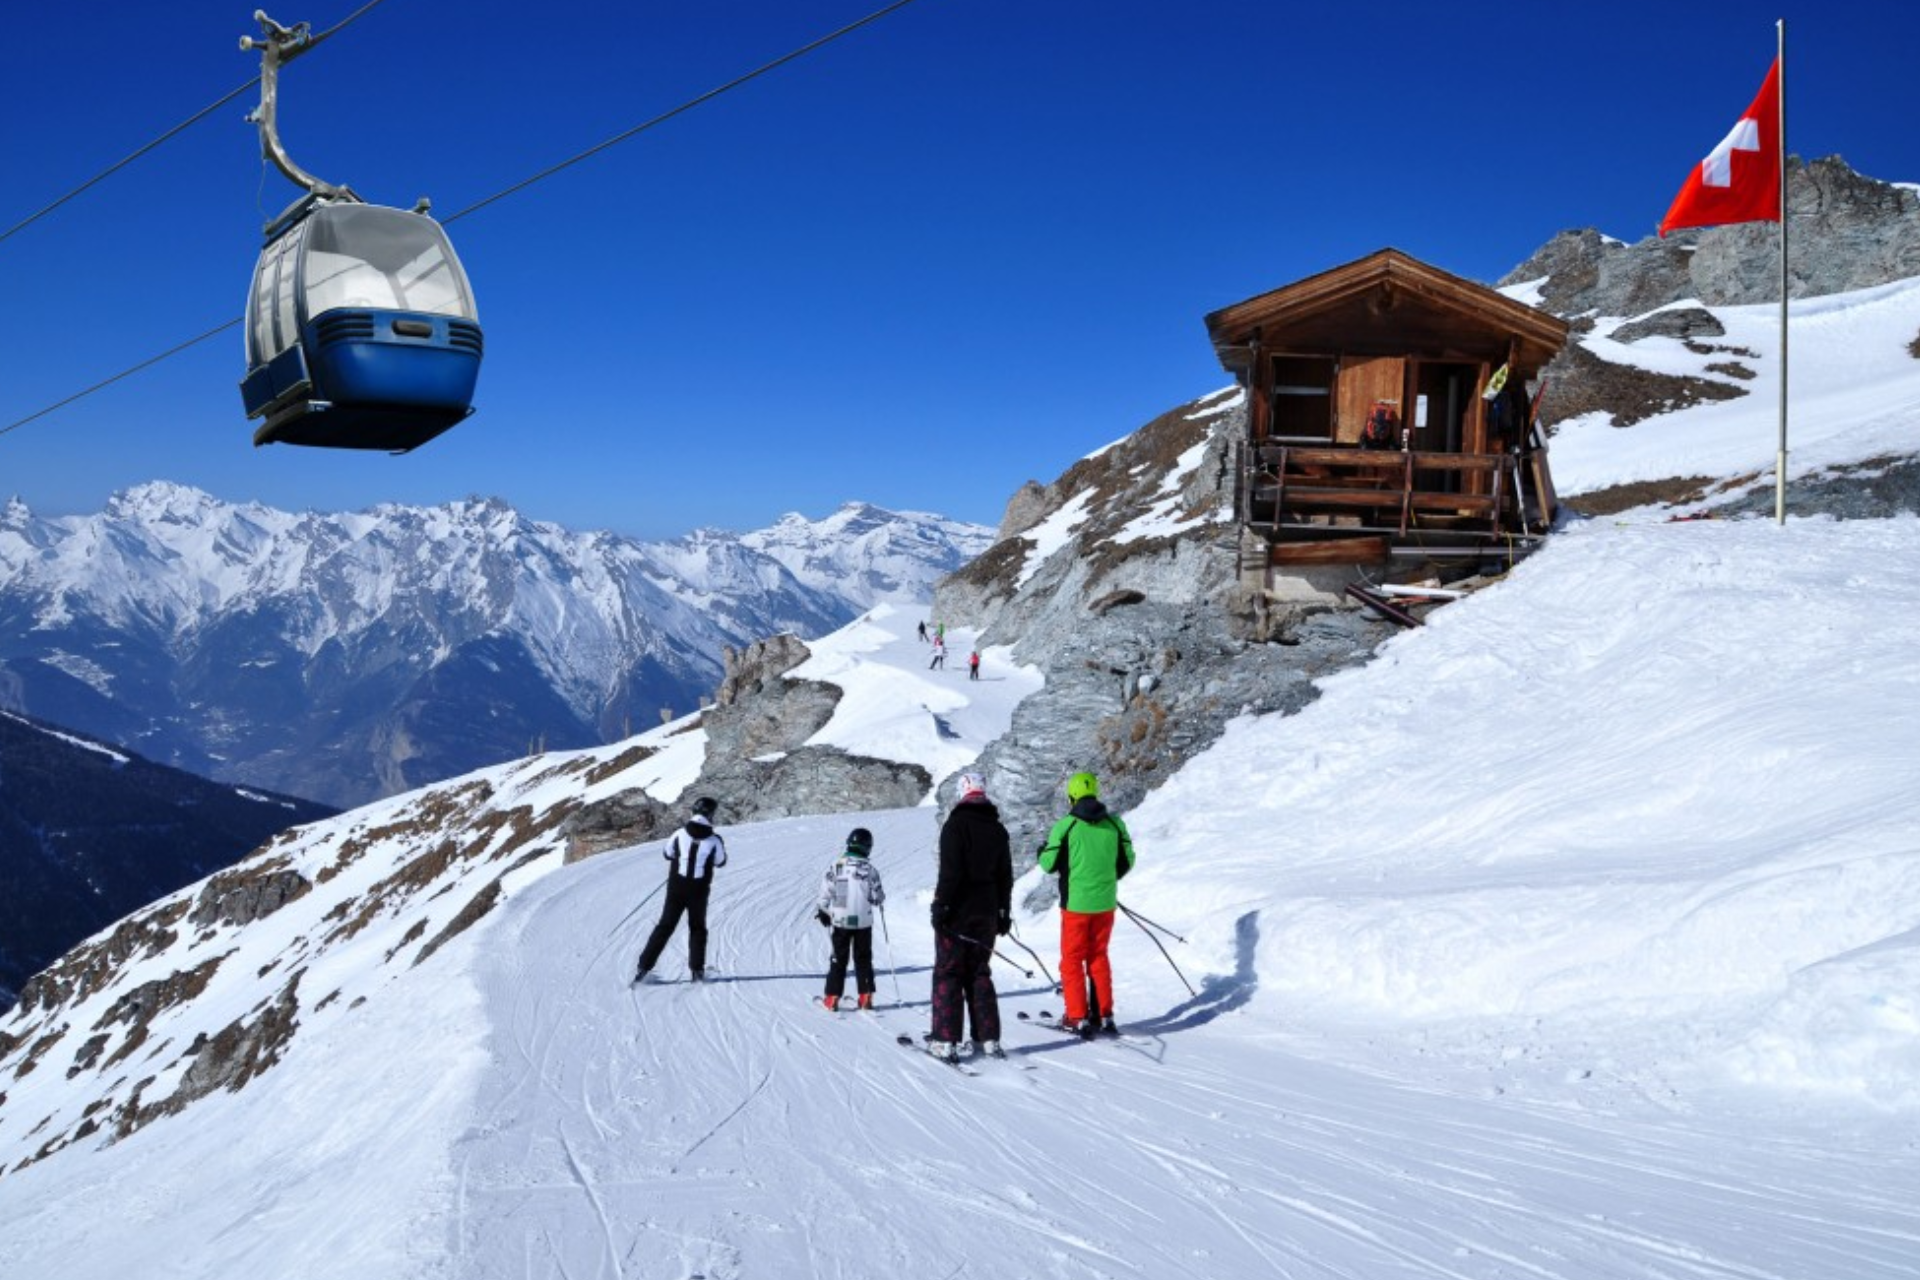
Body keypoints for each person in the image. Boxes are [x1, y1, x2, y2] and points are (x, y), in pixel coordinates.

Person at [1037, 772, 1135, 1037]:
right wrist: (1106, 879)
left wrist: (1041, 849)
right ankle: (1104, 1015)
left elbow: (1048, 864)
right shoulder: (1114, 824)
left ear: (1072, 797)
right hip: (1105, 904)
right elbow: (1127, 861)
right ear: (1097, 794)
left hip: (1076, 906)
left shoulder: (1066, 826)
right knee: (1098, 957)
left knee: (1072, 960)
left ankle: (1076, 1016)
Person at [927, 771, 1012, 1061]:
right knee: (979, 972)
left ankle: (944, 1040)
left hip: (958, 912)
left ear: (963, 792)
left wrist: (940, 905)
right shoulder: (998, 830)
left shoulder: (956, 826)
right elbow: (1005, 877)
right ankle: (987, 1039)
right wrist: (1004, 912)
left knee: (949, 972)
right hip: (987, 912)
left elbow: (950, 873)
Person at [633, 795, 727, 983]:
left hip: (676, 888)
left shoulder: (679, 834)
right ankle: (697, 972)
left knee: (665, 926)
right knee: (697, 928)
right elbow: (720, 861)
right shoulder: (714, 840)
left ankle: (643, 969)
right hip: (699, 891)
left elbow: (668, 854)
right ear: (710, 816)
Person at [815, 827, 886, 1010]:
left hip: (841, 920)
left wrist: (823, 910)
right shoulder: (870, 870)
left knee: (839, 959)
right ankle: (866, 996)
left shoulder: (836, 866)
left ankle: (832, 998)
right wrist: (875, 898)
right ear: (867, 847)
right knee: (863, 959)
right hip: (863, 921)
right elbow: (877, 897)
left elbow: (826, 891)